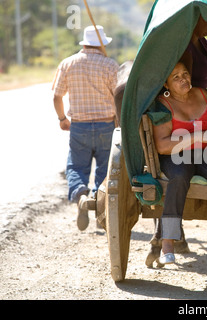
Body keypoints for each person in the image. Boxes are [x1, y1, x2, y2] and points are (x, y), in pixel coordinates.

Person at [153, 62, 207, 267]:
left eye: (185, 74)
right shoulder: (163, 104)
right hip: (175, 154)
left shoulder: (202, 94)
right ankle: (167, 245)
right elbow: (162, 146)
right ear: (166, 83)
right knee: (179, 177)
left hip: (206, 153)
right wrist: (196, 136)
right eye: (176, 77)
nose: (183, 79)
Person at [52, 25, 119, 231]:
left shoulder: (68, 63)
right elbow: (119, 96)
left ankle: (81, 195)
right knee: (104, 169)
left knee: (76, 167)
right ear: (102, 44)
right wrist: (117, 121)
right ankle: (101, 211)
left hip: (79, 126)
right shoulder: (110, 65)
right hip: (106, 125)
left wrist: (62, 118)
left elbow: (56, 96)